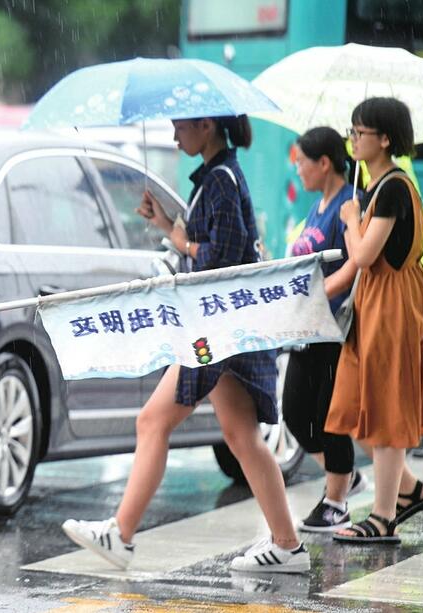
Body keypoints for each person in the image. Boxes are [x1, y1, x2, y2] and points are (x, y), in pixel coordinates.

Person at [62, 115, 309, 573]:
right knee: (241, 436)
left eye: (181, 127)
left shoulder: (220, 179)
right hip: (224, 325)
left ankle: (122, 534)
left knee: (153, 420)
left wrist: (184, 242)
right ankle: (288, 545)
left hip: (214, 327)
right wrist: (169, 224)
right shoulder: (220, 175)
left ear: (207, 127)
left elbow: (224, 255)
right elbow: (215, 245)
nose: (175, 136)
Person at [326, 97, 423, 544]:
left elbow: (362, 255)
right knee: (357, 407)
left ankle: (383, 516)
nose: (353, 139)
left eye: (360, 132)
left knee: (386, 408)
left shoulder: (393, 187)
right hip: (378, 303)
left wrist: (352, 221)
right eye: (352, 130)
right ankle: (410, 489)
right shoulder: (378, 188)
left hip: (393, 304)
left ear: (386, 139)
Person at [282, 127, 363, 532]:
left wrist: (315, 296)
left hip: (333, 329)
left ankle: (336, 501)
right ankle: (343, 475)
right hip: (306, 327)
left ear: (324, 162)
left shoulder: (350, 205)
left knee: (329, 416)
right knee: (294, 413)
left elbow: (352, 268)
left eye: (302, 161)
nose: (297, 168)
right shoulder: (318, 207)